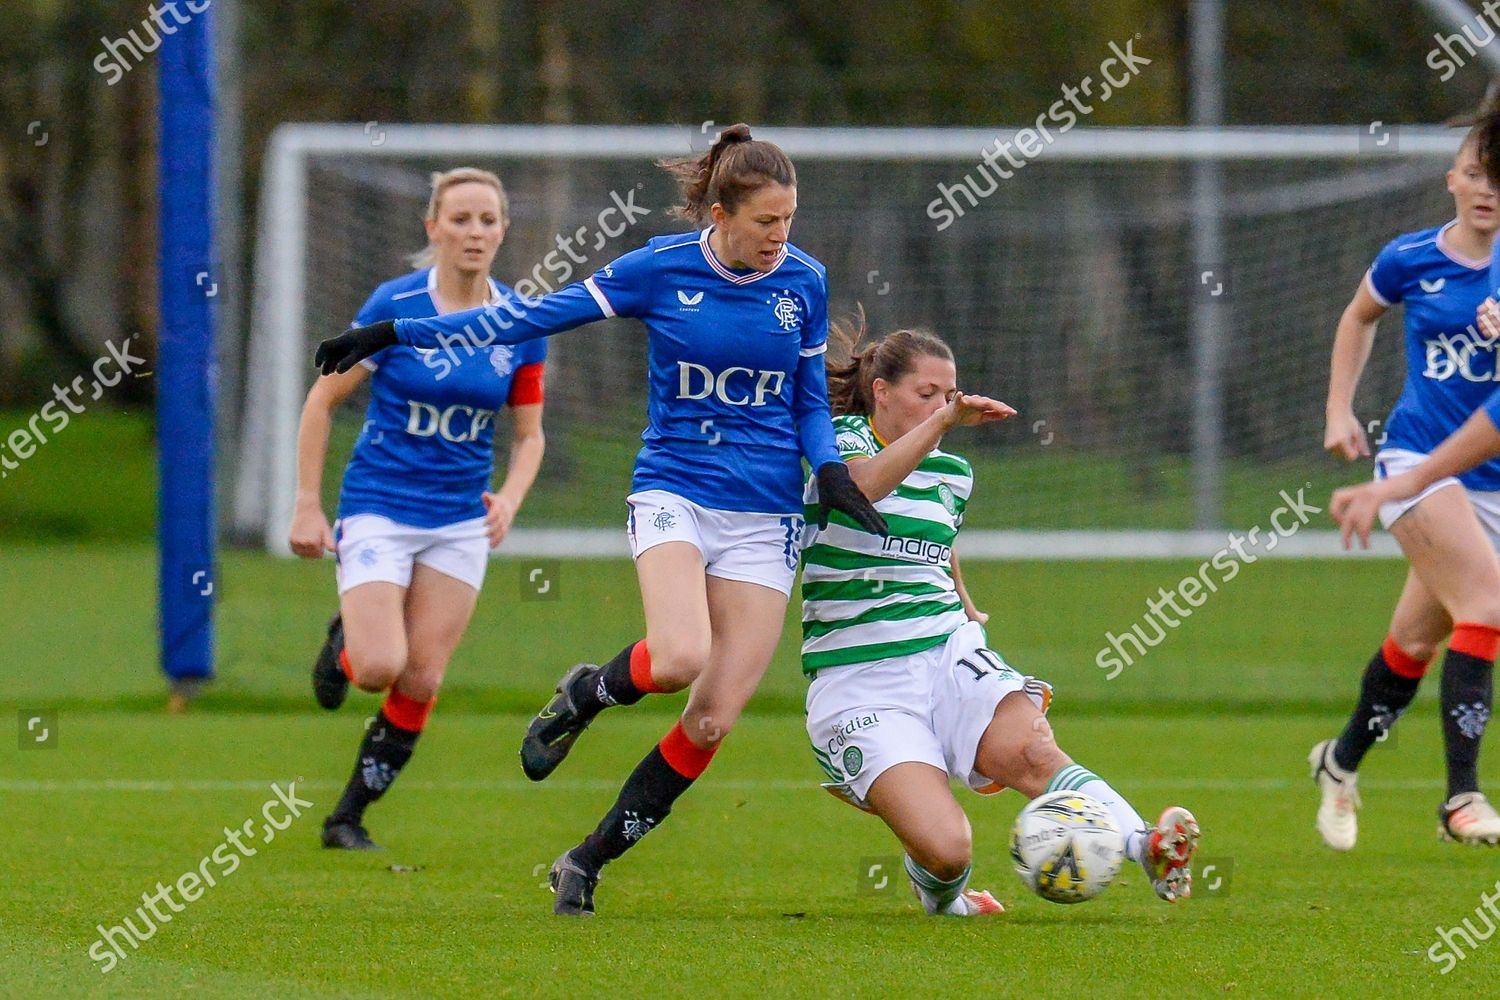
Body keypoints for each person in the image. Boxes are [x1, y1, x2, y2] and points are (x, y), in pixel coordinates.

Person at [313, 124, 888, 913]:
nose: (780, 237)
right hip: (674, 491)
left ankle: (584, 859)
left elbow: (808, 400)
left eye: (789, 221)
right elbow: (528, 319)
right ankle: (588, 692)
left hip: (764, 515)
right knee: (681, 654)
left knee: (712, 722)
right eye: (766, 222)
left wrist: (825, 465)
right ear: (720, 212)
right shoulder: (659, 267)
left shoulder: (804, 282)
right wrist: (396, 331)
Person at [800, 317, 1200, 913]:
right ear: (882, 391)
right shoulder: (842, 441)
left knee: (1034, 752)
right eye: (926, 393)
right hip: (860, 680)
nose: (943, 405)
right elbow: (865, 489)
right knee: (948, 848)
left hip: (945, 650)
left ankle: (1146, 847)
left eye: (949, 393)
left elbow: (936, 539)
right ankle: (945, 897)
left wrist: (961, 592)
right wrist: (942, 423)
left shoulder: (954, 474)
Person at [291, 168, 547, 849]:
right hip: (380, 504)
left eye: (487, 220)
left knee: (423, 674)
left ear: (503, 230)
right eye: (459, 219)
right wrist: (306, 507)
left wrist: (511, 500)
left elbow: (529, 434)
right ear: (432, 227)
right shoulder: (396, 303)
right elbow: (322, 402)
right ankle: (345, 643)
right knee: (379, 666)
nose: (474, 232)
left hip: (460, 519)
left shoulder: (519, 320)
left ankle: (346, 817)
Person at [1312, 116, 1500, 850]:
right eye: (1475, 174)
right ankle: (1462, 798)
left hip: (1483, 480)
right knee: (1485, 606)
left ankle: (1340, 760)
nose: (1487, 190)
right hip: (1415, 460)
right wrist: (1339, 409)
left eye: (1499, 178)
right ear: (1451, 178)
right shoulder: (1410, 257)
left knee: (1415, 643)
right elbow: (1358, 317)